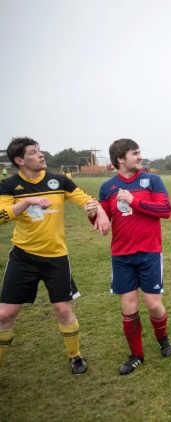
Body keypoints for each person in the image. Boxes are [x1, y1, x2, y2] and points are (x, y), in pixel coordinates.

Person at [0, 137, 109, 374]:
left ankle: (75, 356)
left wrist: (98, 210)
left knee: (63, 309)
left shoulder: (59, 181)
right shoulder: (8, 185)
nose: (41, 155)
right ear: (20, 160)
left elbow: (85, 200)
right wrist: (26, 202)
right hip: (23, 257)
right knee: (5, 314)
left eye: (39, 151)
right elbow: (1, 216)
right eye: (33, 152)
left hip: (56, 257)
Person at [97, 139, 171, 375]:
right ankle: (136, 355)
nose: (140, 157)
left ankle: (163, 338)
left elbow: (166, 210)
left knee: (154, 305)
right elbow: (103, 223)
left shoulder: (152, 181)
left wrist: (134, 200)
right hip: (121, 255)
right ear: (121, 159)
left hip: (149, 252)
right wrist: (94, 214)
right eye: (135, 153)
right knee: (128, 308)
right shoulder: (107, 187)